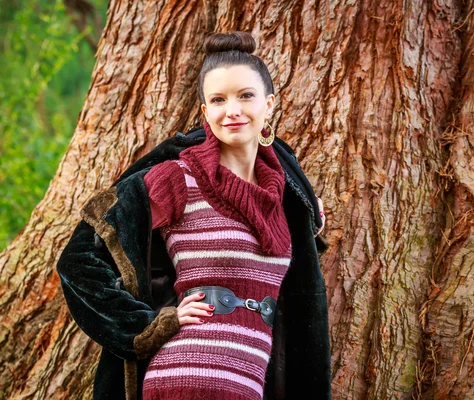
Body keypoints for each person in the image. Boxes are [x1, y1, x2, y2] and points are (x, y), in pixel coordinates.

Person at [57, 31, 331, 400]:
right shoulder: (179, 178)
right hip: (183, 377)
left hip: (245, 385)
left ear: (269, 105)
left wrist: (309, 215)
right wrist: (146, 325)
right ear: (205, 112)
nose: (232, 110)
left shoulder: (285, 194)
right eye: (218, 99)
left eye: (245, 96)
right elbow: (78, 259)